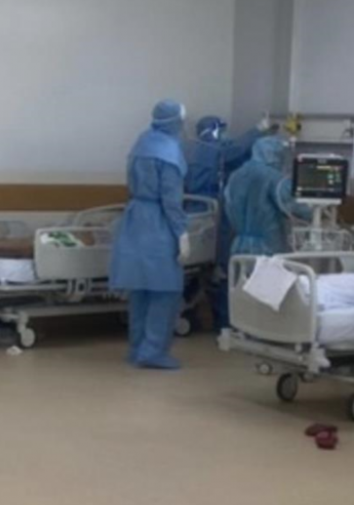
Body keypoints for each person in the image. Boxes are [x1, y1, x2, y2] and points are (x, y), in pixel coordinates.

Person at [109, 99, 190, 370]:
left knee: (140, 291)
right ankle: (153, 351)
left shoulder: (141, 144)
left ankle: (137, 348)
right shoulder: (169, 152)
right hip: (158, 224)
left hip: (135, 220)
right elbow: (171, 200)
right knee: (164, 290)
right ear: (176, 122)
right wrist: (182, 233)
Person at [184, 116, 267, 333]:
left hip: (193, 212)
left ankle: (200, 316)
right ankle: (224, 325)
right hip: (208, 214)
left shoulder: (191, 150)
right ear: (214, 130)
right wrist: (257, 130)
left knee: (197, 272)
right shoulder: (210, 149)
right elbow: (234, 150)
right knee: (218, 271)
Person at [224, 136, 312, 258]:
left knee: (244, 270)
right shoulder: (274, 178)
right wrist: (314, 212)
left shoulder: (236, 175)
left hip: (240, 246)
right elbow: (292, 205)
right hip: (268, 247)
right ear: (276, 155)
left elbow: (228, 205)